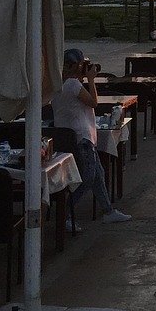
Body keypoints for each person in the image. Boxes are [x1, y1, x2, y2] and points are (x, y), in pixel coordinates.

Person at [51, 48, 131, 227]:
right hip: (82, 138)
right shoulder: (73, 85)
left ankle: (108, 211)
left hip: (70, 137)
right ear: (77, 66)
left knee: (98, 175)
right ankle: (65, 213)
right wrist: (91, 80)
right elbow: (93, 102)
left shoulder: (56, 85)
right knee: (88, 178)